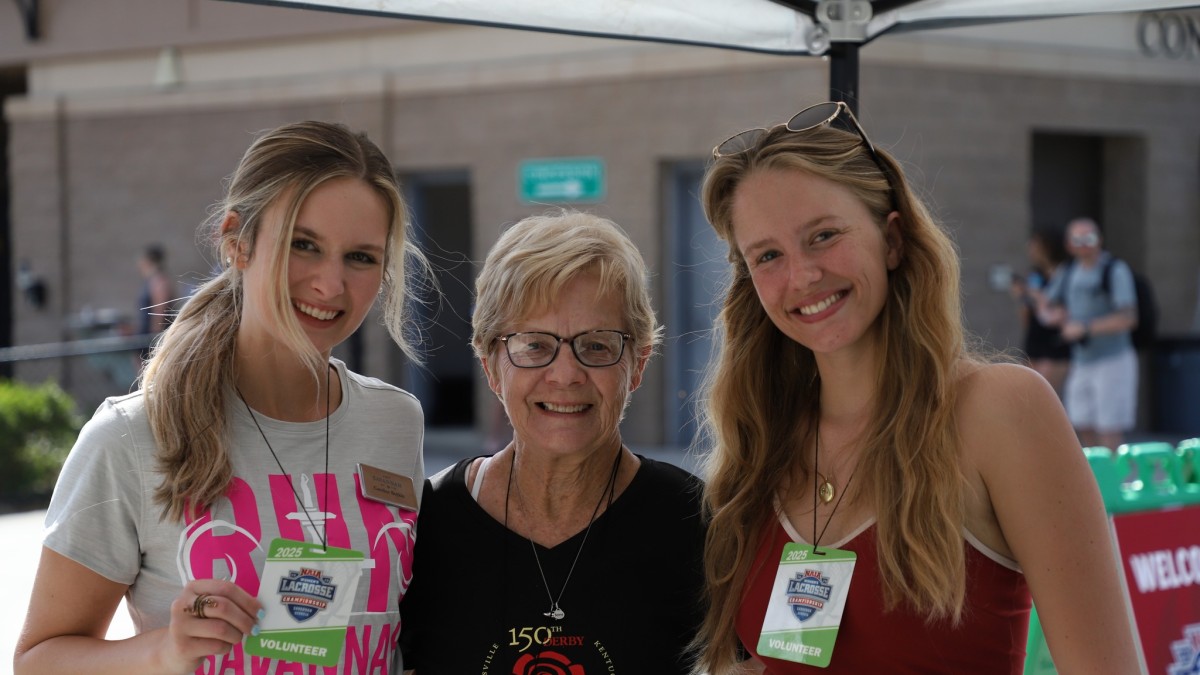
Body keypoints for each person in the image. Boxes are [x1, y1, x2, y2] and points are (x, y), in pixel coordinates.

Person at [692, 102, 1139, 674]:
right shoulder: (763, 442)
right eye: (769, 256)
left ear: (894, 239)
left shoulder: (998, 411)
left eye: (824, 235)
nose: (801, 276)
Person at [15, 121, 427, 674]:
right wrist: (165, 649)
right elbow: (39, 661)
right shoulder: (132, 438)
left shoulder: (396, 420)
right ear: (237, 241)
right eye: (303, 245)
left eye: (361, 257)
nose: (331, 284)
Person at [400, 211, 706, 674]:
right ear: (489, 364)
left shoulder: (697, 522)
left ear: (638, 364)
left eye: (598, 345)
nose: (565, 375)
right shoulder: (426, 526)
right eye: (534, 346)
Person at [1041, 217, 1139, 451]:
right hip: (1082, 361)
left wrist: (1085, 328)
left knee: (1109, 426)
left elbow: (1128, 318)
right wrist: (1055, 315)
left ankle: (1113, 482)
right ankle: (1096, 476)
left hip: (1113, 359)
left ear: (1100, 240)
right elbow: (1047, 304)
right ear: (1068, 244)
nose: (1084, 243)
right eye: (1078, 239)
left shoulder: (1114, 270)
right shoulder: (1068, 271)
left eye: (1090, 237)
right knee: (1081, 420)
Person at [1010, 229, 1071, 397]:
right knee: (1026, 392)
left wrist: (1037, 297)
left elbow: (1063, 308)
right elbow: (1026, 314)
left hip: (1055, 342)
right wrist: (1022, 297)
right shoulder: (1034, 275)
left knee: (1043, 394)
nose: (1031, 248)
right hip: (1034, 339)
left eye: (1035, 244)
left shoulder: (1067, 274)